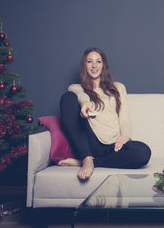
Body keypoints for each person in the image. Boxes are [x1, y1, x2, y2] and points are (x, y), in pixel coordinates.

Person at [58, 47, 151, 180]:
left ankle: (88, 162)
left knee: (143, 152)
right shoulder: (76, 88)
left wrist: (125, 136)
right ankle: (87, 157)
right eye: (89, 61)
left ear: (104, 65)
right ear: (84, 65)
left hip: (114, 145)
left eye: (98, 61)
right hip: (90, 143)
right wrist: (84, 103)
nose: (94, 65)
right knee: (67, 98)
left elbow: (125, 116)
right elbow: (80, 95)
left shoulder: (118, 87)